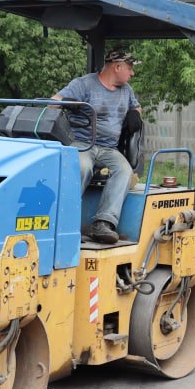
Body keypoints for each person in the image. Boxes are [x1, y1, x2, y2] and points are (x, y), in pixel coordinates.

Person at [52, 48, 142, 245]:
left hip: (109, 148)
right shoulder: (84, 84)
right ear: (117, 67)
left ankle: (104, 222)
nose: (132, 73)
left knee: (125, 171)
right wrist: (68, 103)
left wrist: (135, 114)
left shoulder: (126, 90)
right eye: (129, 68)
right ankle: (64, 221)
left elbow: (136, 106)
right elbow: (53, 103)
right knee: (81, 167)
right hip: (81, 143)